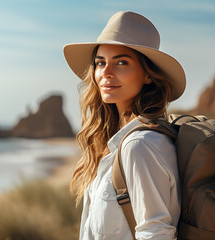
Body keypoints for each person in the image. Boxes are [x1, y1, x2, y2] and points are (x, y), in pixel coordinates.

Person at [63, 11, 186, 240]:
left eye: (121, 62)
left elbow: (155, 234)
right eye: (101, 63)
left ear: (148, 75)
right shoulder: (116, 142)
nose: (106, 73)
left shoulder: (140, 146)